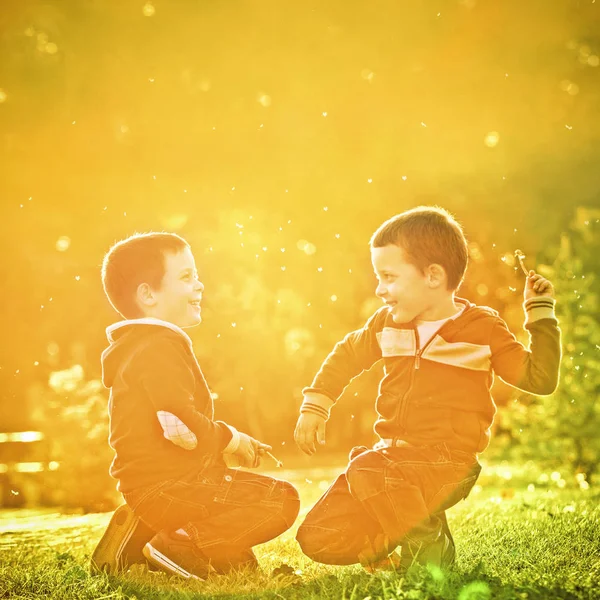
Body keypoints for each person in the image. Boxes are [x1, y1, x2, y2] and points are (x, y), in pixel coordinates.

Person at [294, 206, 561, 571]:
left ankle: (428, 549)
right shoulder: (387, 324)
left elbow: (539, 379)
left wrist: (540, 313)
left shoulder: (481, 329)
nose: (379, 289)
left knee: (367, 468)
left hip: (447, 462)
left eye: (389, 276)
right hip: (392, 462)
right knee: (319, 536)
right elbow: (347, 355)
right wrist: (316, 404)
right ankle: (416, 527)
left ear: (433, 275)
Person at [91, 232, 299, 579]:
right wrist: (232, 439)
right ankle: (177, 546)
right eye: (187, 277)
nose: (199, 285)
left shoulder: (138, 347)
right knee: (280, 500)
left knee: (237, 564)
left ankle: (138, 540)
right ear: (148, 295)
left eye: (196, 275)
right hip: (172, 487)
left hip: (156, 488)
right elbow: (178, 423)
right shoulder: (158, 347)